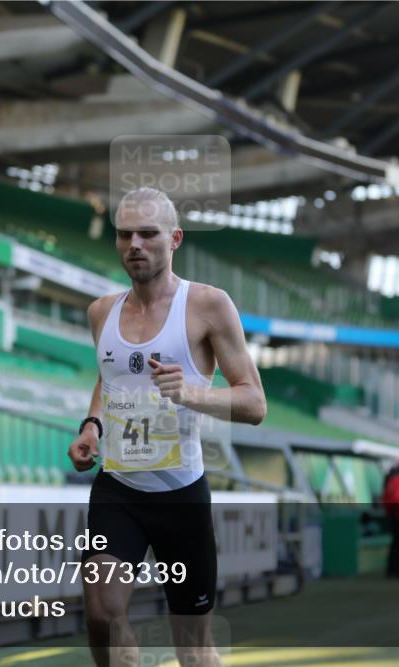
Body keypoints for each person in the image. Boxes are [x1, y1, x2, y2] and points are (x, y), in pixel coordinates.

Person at [67, 188, 267, 667]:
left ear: (174, 239)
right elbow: (109, 377)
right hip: (118, 488)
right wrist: (92, 426)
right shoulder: (102, 312)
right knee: (100, 612)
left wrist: (191, 393)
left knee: (194, 648)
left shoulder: (208, 305)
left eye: (147, 234)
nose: (134, 243)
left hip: (181, 493)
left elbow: (254, 402)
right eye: (124, 234)